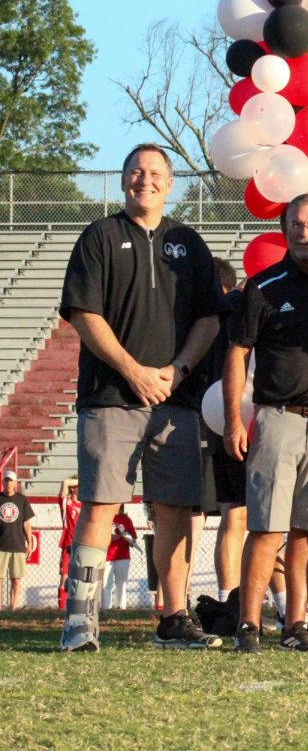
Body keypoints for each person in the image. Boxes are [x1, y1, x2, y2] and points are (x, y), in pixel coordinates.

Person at [58, 142, 222, 651]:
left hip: (174, 401)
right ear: (124, 178)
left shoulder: (189, 243)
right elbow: (85, 314)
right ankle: (81, 620)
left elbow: (210, 318)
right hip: (111, 397)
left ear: (170, 184)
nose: (144, 180)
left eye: (155, 173)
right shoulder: (99, 236)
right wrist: (134, 372)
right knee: (102, 504)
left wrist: (177, 370)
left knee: (175, 510)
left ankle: (175, 618)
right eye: (135, 171)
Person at [223, 193, 308, 654]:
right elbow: (237, 353)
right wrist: (236, 418)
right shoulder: (264, 286)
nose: (304, 232)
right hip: (276, 419)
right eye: (296, 224)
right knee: (266, 530)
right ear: (284, 230)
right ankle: (249, 625)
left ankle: (296, 623)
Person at [202, 257, 248, 605]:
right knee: (248, 516)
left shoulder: (204, 319)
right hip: (240, 416)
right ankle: (234, 598)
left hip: (216, 417)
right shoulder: (234, 313)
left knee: (234, 514)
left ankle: (227, 596)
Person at [1, 470, 34, 610]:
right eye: (6, 480)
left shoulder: (22, 500)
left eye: (11, 481)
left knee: (16, 580)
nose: (8, 483)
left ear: (16, 484)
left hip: (18, 545)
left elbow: (26, 523)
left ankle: (13, 608)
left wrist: (30, 543)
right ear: (3, 482)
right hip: (1, 546)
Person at [102, 506, 138, 610]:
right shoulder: (105, 517)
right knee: (105, 584)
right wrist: (110, 536)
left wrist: (126, 537)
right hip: (106, 556)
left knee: (121, 584)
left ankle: (121, 608)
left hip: (122, 556)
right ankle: (106, 608)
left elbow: (133, 539)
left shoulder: (126, 519)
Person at [57, 476, 83, 611]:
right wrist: (83, 479)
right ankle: (61, 609)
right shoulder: (66, 503)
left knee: (81, 579)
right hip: (68, 544)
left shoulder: (85, 505)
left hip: (82, 545)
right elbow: (64, 482)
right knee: (64, 578)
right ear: (73, 488)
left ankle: (77, 608)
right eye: (79, 485)